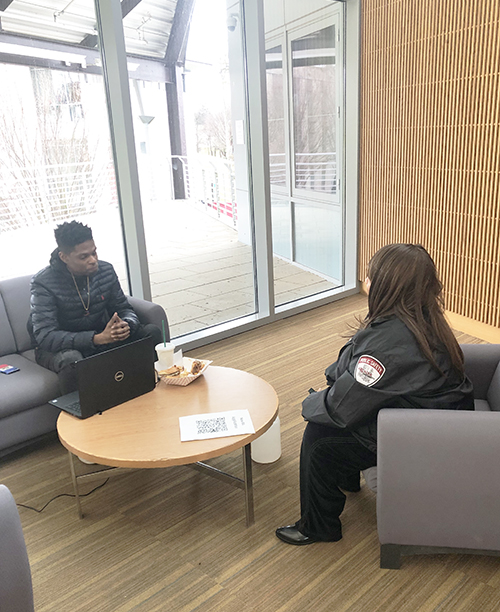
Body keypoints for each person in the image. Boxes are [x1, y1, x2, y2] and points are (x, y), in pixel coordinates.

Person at [275, 243, 474, 546]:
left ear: (387, 286)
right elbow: (358, 369)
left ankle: (317, 526)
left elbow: (342, 407)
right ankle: (345, 480)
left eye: (370, 276)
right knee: (334, 413)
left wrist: (310, 403)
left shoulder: (392, 341)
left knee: (317, 436)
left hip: (422, 434)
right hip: (433, 418)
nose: (365, 281)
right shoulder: (421, 316)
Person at [29, 220, 163, 394]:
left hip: (102, 336)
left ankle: (154, 393)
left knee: (150, 333)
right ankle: (81, 417)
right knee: (72, 359)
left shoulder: (105, 270)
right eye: (84, 257)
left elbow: (124, 308)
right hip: (61, 348)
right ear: (64, 257)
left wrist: (126, 325)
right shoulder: (43, 283)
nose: (93, 260)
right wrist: (97, 339)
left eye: (94, 252)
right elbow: (45, 336)